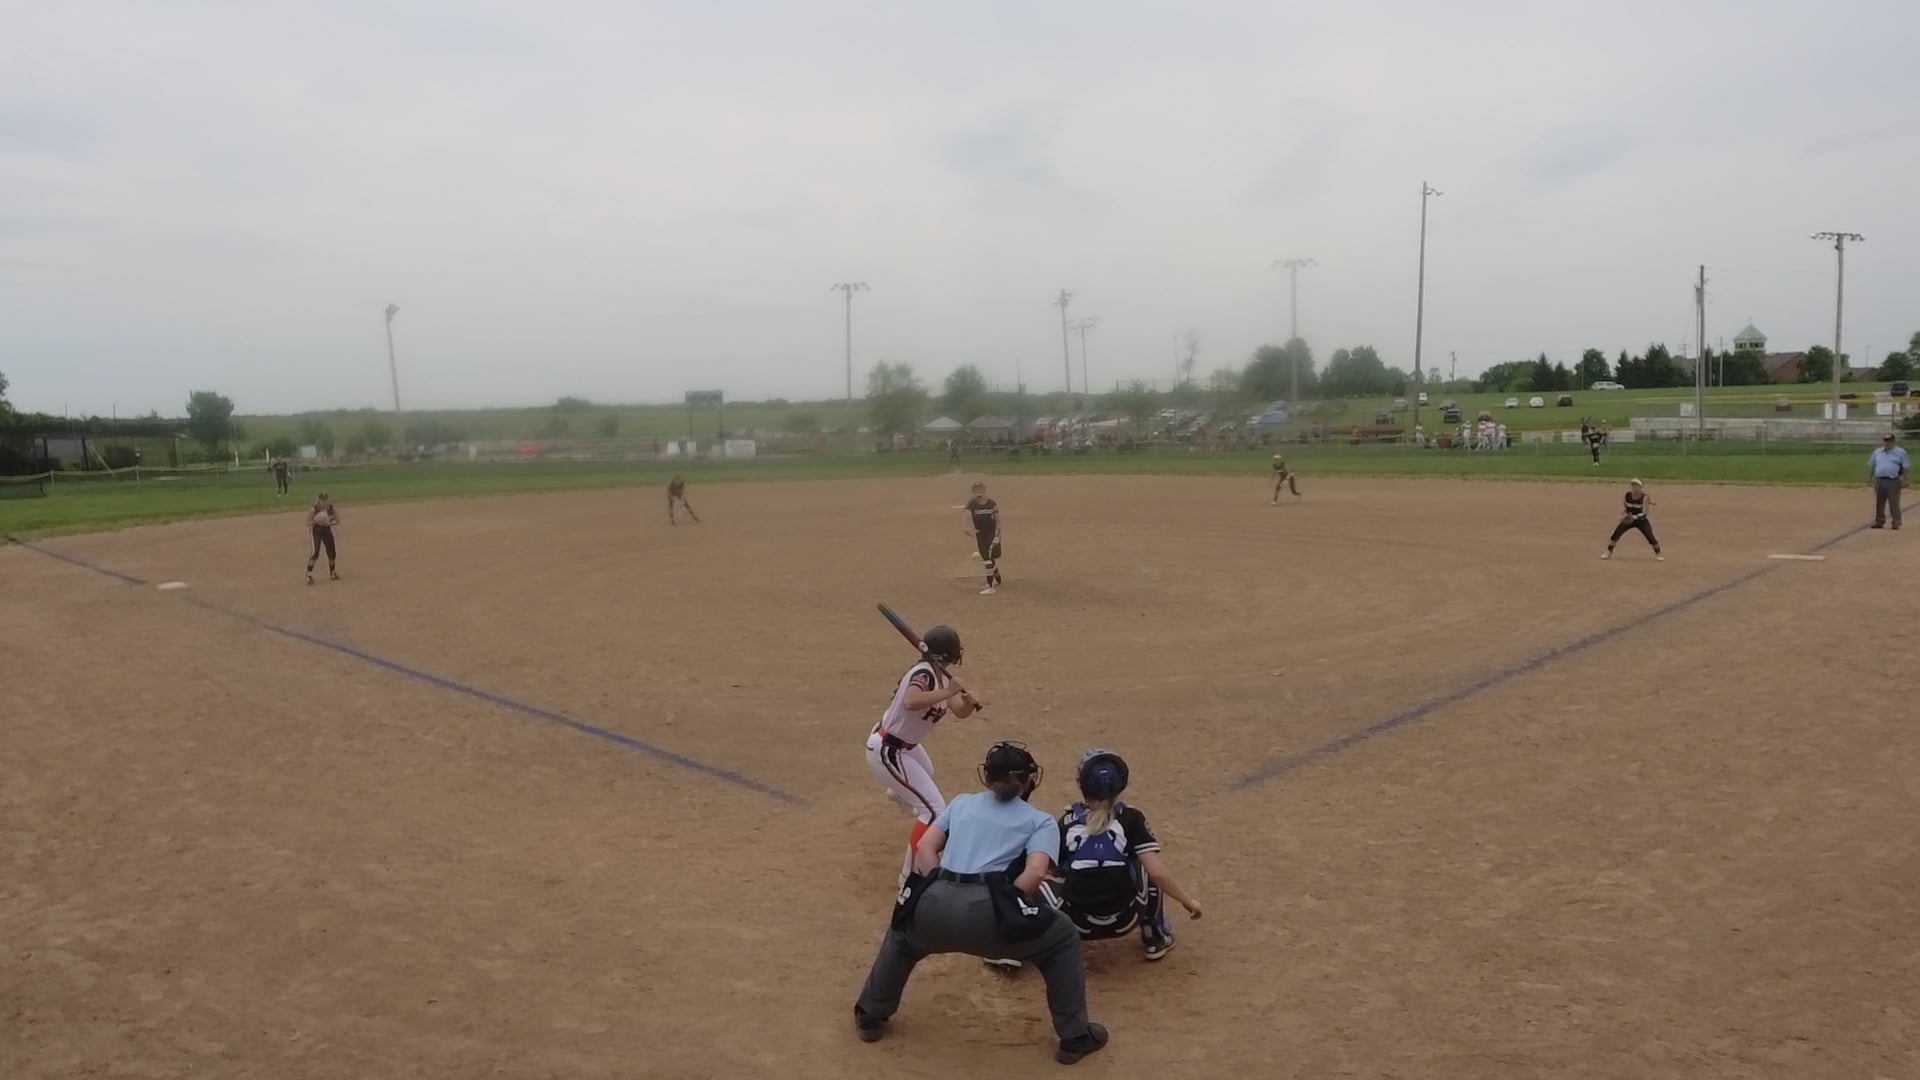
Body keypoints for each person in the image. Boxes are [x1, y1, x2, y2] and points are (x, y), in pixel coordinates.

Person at [852, 743, 1110, 1066]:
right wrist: (1007, 906)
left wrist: (937, 888)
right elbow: (1035, 873)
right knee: (1062, 937)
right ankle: (1074, 1037)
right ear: (1027, 781)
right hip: (988, 915)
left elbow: (925, 849)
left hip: (934, 903)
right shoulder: (1040, 821)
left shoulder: (961, 803)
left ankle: (870, 1014)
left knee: (902, 935)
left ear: (987, 779)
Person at [1038, 749, 1202, 962]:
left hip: (1077, 926)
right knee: (1146, 864)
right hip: (1126, 920)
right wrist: (1188, 901)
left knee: (1042, 879)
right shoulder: (1131, 818)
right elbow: (1158, 874)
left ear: (1081, 784)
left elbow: (1054, 869)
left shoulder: (1067, 822)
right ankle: (1155, 935)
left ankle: (1045, 942)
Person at [865, 624, 982, 884]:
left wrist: (967, 702)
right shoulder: (924, 674)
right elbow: (911, 701)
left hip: (907, 747)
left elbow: (958, 710)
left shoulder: (940, 676)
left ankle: (897, 791)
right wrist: (949, 691)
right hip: (889, 749)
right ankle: (909, 877)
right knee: (934, 812)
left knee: (927, 773)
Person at [1602, 479, 1662, 561]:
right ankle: (1608, 552)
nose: (1634, 487)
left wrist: (1633, 517)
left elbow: (1645, 512)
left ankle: (1658, 554)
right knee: (1616, 534)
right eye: (1633, 485)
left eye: (1636, 485)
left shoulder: (1645, 497)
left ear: (1640, 487)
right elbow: (1626, 508)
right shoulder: (1627, 495)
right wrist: (1622, 515)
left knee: (1650, 537)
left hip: (1641, 521)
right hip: (1629, 519)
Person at [961, 481, 1003, 595]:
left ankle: (990, 586)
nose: (978, 492)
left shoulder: (991, 504)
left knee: (987, 559)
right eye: (976, 490)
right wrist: (965, 527)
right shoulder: (972, 503)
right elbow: (966, 513)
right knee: (987, 557)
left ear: (984, 491)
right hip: (980, 535)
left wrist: (998, 534)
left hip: (991, 534)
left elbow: (998, 520)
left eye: (980, 489)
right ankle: (998, 579)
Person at [1868, 433, 1909, 530]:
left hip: (1893, 480)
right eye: (1886, 441)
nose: (1887, 443)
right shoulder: (1877, 452)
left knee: (1894, 502)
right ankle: (1879, 521)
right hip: (1879, 480)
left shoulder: (1901, 452)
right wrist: (1869, 478)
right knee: (1879, 502)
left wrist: (1906, 479)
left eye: (1889, 441)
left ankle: (1896, 522)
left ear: (1894, 442)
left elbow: (1905, 467)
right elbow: (1872, 466)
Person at [305, 493, 340, 584]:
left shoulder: (332, 509)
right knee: (315, 552)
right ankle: (309, 575)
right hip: (317, 531)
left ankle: (332, 572)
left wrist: (329, 522)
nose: (323, 502)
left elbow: (338, 521)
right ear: (318, 500)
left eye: (325, 500)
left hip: (327, 531)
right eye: (321, 500)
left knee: (332, 552)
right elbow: (308, 523)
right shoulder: (314, 510)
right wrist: (316, 521)